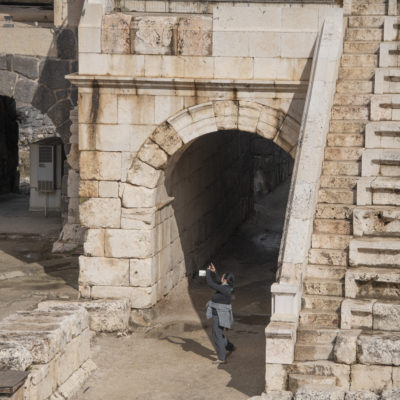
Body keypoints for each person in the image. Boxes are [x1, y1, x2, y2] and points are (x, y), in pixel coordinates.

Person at [205, 262, 235, 364]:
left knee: (216, 335)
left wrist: (207, 271)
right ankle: (230, 347)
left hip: (218, 315)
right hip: (222, 314)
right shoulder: (228, 287)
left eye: (222, 277)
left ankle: (222, 358)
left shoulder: (223, 288)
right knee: (219, 333)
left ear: (225, 280)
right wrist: (215, 272)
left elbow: (210, 283)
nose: (221, 278)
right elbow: (219, 282)